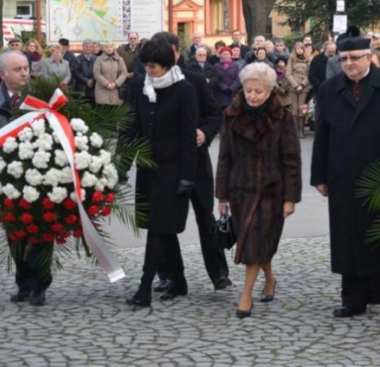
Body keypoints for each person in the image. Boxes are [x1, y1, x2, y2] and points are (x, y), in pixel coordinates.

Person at [311, 26, 380, 319]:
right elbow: (322, 135)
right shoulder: (329, 89)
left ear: (369, 57)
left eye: (355, 57)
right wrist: (319, 176)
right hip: (343, 174)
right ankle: (353, 298)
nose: (349, 64)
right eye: (343, 59)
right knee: (347, 237)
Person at [145, 32, 230, 293]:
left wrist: (205, 132)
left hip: (196, 162)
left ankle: (218, 273)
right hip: (165, 166)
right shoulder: (146, 83)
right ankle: (170, 274)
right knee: (165, 221)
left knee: (205, 216)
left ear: (177, 54)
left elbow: (214, 112)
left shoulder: (193, 80)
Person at [216, 63, 301, 318]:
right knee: (255, 241)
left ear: (269, 91)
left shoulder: (283, 118)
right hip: (240, 188)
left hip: (270, 191)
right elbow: (224, 157)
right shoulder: (231, 115)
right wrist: (222, 195)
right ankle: (270, 279)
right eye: (248, 90)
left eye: (258, 91)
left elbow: (291, 159)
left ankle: (245, 295)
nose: (252, 95)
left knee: (254, 241)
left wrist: (290, 198)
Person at [124, 38, 198, 307]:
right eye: (146, 66)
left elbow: (188, 136)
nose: (149, 71)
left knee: (157, 228)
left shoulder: (184, 90)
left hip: (173, 170)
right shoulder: (140, 88)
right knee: (164, 229)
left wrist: (187, 175)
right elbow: (133, 128)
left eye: (153, 66)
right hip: (147, 169)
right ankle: (179, 281)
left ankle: (144, 288)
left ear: (167, 64)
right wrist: (121, 166)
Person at [0, 51, 52, 306]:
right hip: (6, 181)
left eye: (25, 68)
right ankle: (23, 283)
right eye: (17, 69)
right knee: (15, 234)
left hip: (40, 178)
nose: (24, 73)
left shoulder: (41, 98)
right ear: (3, 74)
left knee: (41, 231)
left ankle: (40, 284)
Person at [286, 42, 311, 137]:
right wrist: (296, 85)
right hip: (293, 86)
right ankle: (295, 129)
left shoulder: (308, 59)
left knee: (302, 108)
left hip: (304, 87)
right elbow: (288, 73)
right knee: (294, 108)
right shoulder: (291, 59)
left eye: (301, 49)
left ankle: (301, 129)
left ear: (303, 50)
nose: (299, 50)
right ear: (295, 50)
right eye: (297, 49)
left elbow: (310, 74)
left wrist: (302, 84)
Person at [93, 41, 129, 106]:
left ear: (113, 48)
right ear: (103, 49)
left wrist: (116, 83)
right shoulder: (99, 59)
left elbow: (124, 73)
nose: (109, 49)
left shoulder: (120, 59)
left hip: (116, 91)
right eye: (107, 47)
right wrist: (106, 84)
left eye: (110, 47)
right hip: (102, 92)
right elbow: (96, 73)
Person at [73, 39, 98, 104]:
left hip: (94, 87)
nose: (88, 48)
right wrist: (86, 81)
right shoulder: (77, 59)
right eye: (86, 46)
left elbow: (98, 71)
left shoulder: (97, 59)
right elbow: (76, 72)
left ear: (92, 48)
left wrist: (92, 80)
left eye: (90, 47)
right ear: (83, 47)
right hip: (81, 87)